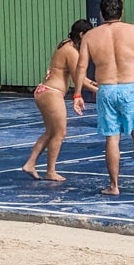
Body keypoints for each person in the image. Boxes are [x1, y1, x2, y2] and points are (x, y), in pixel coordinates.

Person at [77, 0, 134, 195]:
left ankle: (114, 186)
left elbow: (81, 66)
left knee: (112, 139)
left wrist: (77, 93)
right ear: (121, 12)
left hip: (105, 90)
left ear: (101, 14)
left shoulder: (90, 36)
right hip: (130, 87)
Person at [21, 19, 96, 181]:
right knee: (60, 133)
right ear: (82, 35)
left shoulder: (65, 44)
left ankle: (30, 163)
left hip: (45, 91)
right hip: (51, 93)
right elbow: (79, 79)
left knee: (50, 132)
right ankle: (50, 171)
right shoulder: (71, 51)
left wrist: (97, 84)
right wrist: (98, 90)